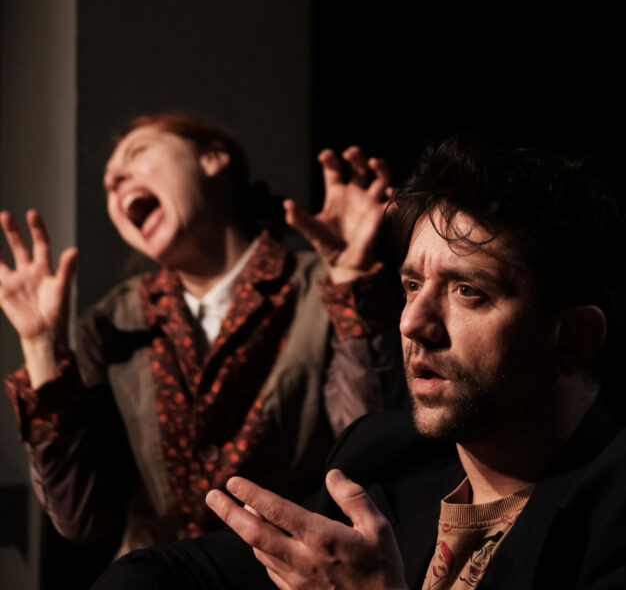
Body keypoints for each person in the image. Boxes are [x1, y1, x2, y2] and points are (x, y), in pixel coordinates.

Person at [90, 132, 626, 589]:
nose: (412, 323)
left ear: (573, 339)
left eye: (468, 292)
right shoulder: (383, 458)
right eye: (411, 286)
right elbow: (168, 573)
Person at [0, 112, 402, 557]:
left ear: (213, 159)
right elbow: (80, 515)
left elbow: (364, 462)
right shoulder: (112, 322)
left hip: (288, 576)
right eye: (108, 183)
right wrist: (39, 344)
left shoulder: (322, 291)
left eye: (137, 153)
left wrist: (350, 282)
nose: (115, 182)